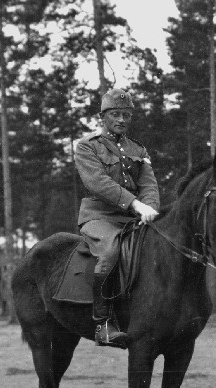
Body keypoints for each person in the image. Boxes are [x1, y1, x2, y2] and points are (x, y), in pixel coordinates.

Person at [75, 88, 160, 348]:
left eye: (126, 115)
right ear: (103, 116)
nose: (122, 119)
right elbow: (98, 182)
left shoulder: (138, 149)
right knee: (111, 252)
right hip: (99, 216)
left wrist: (151, 209)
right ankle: (102, 324)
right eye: (115, 114)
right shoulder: (88, 146)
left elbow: (149, 185)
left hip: (133, 218)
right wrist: (135, 204)